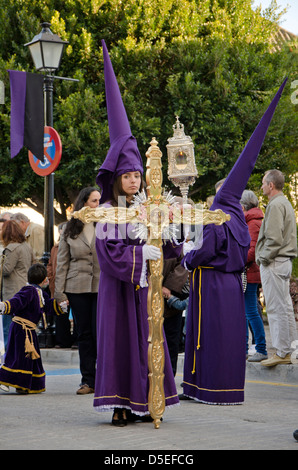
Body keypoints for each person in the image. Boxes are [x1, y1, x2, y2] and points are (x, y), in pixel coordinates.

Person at [181, 79, 287, 404]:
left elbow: (206, 250)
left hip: (210, 282)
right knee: (229, 337)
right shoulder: (240, 218)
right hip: (231, 283)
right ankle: (228, 389)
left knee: (209, 337)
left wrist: (188, 258)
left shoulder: (217, 217)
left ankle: (205, 388)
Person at [93, 40, 180, 426]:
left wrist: (167, 233)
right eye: (127, 176)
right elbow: (109, 255)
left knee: (149, 343)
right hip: (119, 289)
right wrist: (137, 257)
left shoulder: (148, 205)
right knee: (119, 346)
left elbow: (170, 245)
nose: (132, 181)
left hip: (144, 289)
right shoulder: (108, 212)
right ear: (117, 179)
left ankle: (149, 402)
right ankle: (119, 405)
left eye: (135, 175)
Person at [54, 187, 101, 394]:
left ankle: (104, 378)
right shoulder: (69, 229)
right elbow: (62, 262)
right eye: (94, 201)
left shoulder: (107, 225)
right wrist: (59, 292)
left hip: (102, 286)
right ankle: (87, 380)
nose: (98, 205)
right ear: (84, 203)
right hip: (77, 286)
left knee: (100, 332)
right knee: (84, 334)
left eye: (99, 200)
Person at [0, 263, 67, 394]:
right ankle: (10, 381)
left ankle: (30, 384)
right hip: (21, 329)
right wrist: (5, 306)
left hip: (29, 331)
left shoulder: (40, 293)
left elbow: (48, 306)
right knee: (19, 357)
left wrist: (60, 307)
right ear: (44, 280)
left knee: (32, 358)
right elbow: (17, 301)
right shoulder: (28, 290)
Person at [255, 169, 297, 366]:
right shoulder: (285, 202)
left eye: (264, 183)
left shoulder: (275, 205)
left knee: (275, 308)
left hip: (275, 261)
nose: (262, 186)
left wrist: (263, 257)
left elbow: (273, 239)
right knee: (285, 307)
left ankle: (282, 352)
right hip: (283, 261)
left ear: (271, 185)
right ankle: (288, 349)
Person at [240, 189, 267, 361]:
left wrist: (235, 259)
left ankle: (261, 348)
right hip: (248, 271)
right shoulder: (252, 221)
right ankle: (243, 348)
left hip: (249, 271)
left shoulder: (253, 223)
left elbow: (252, 250)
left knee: (250, 311)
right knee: (245, 311)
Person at [1, 220, 34, 348]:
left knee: (8, 328)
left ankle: (10, 360)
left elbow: (6, 270)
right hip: (25, 289)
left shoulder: (11, 248)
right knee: (22, 327)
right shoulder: (26, 246)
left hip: (12, 292)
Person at [47, 222, 74, 348]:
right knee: (60, 313)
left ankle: (76, 340)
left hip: (72, 282)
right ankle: (62, 340)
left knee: (77, 313)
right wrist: (51, 276)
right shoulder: (55, 248)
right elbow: (50, 264)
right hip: (58, 284)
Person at [162, 256, 189, 376]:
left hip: (169, 297)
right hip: (148, 293)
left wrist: (169, 286)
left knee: (170, 341)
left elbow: (182, 263)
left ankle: (169, 376)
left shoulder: (176, 238)